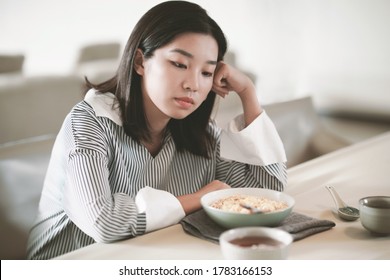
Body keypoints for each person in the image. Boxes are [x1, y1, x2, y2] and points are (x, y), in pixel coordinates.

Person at [26, 0, 287, 260]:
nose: (193, 85)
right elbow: (104, 222)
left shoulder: (200, 131)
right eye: (179, 64)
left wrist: (247, 92)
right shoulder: (88, 122)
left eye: (207, 72)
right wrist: (196, 199)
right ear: (140, 62)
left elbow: (266, 191)